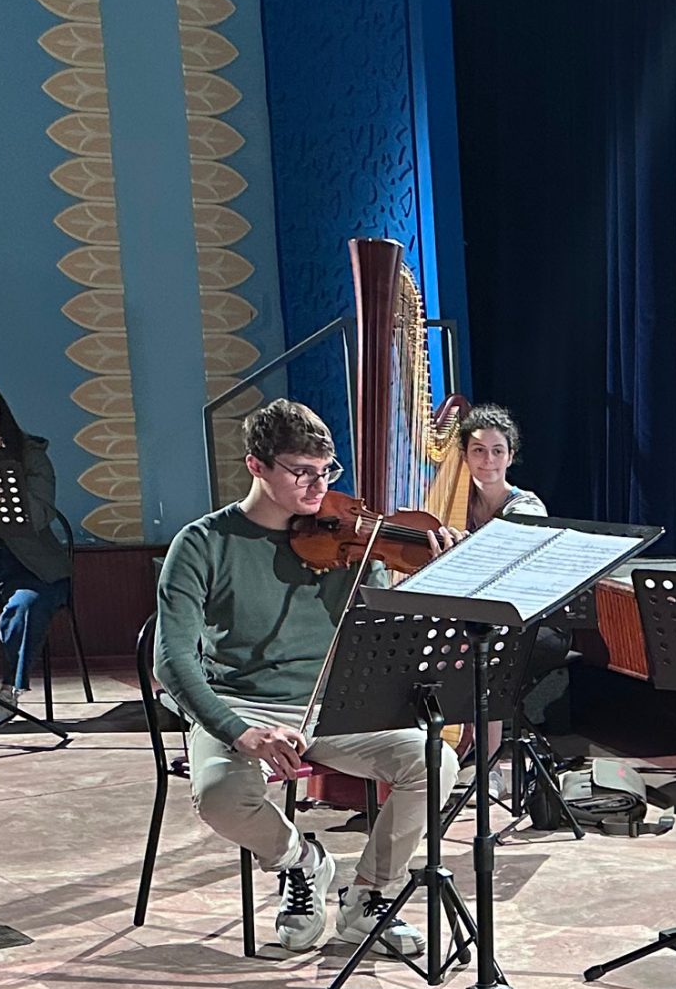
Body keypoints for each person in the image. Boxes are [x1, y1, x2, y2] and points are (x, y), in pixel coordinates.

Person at [153, 399, 456, 958]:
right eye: (301, 473)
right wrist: (240, 732)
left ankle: (370, 897)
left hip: (336, 705)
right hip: (243, 704)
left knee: (435, 760)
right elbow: (171, 659)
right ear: (257, 466)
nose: (319, 487)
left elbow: (389, 631)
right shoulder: (202, 543)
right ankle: (302, 862)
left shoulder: (355, 543)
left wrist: (439, 570)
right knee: (218, 795)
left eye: (326, 471)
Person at [455, 403, 555, 797]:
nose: (488, 460)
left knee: (486, 653)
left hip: (528, 622)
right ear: (464, 455)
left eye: (497, 451)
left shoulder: (526, 507)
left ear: (510, 456)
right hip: (471, 614)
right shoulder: (453, 502)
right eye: (478, 450)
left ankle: (490, 769)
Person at [0, 385, 74, 703]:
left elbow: (39, 515)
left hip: (33, 568)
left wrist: (2, 468)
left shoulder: (31, 454)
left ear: (1, 413)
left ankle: (9, 693)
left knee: (24, 608)